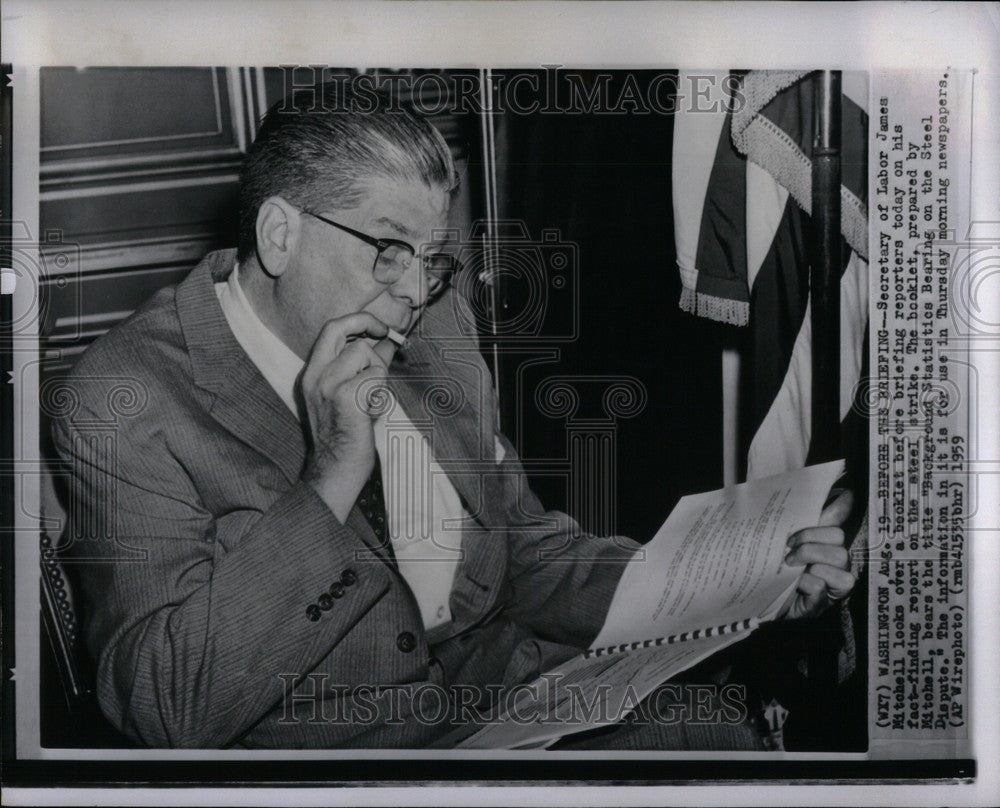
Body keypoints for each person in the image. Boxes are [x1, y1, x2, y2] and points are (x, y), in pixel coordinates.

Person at [52, 82, 856, 749]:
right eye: (388, 250)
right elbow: (165, 708)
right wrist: (330, 476)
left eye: (432, 260)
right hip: (334, 762)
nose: (413, 293)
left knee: (718, 739)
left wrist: (743, 586)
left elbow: (525, 552)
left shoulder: (433, 327)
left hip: (508, 702)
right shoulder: (127, 398)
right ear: (278, 234)